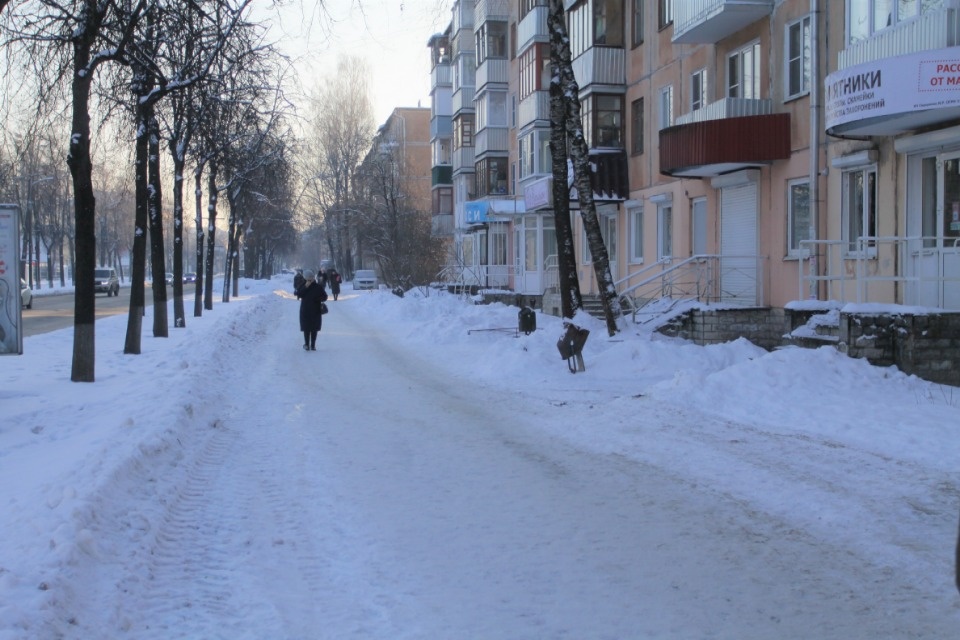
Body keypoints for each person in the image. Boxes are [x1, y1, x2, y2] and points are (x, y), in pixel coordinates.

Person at [294, 269, 327, 351]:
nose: (309, 280)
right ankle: (307, 344)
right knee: (306, 328)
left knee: (314, 328)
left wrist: (317, 299)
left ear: (313, 278)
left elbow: (325, 297)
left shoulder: (318, 287)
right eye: (308, 278)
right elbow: (298, 294)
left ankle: (312, 345)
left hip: (315, 310)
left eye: (310, 278)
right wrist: (305, 287)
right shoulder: (303, 286)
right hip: (305, 310)